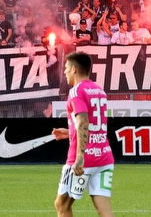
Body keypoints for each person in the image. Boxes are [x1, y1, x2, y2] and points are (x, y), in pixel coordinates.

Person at [52, 51, 114, 217]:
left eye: (66, 68)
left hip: (83, 159)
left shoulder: (76, 91)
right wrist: (70, 132)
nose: (64, 72)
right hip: (104, 158)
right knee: (105, 210)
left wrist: (80, 156)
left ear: (74, 69)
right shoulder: (99, 90)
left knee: (62, 205)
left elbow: (84, 121)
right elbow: (92, 124)